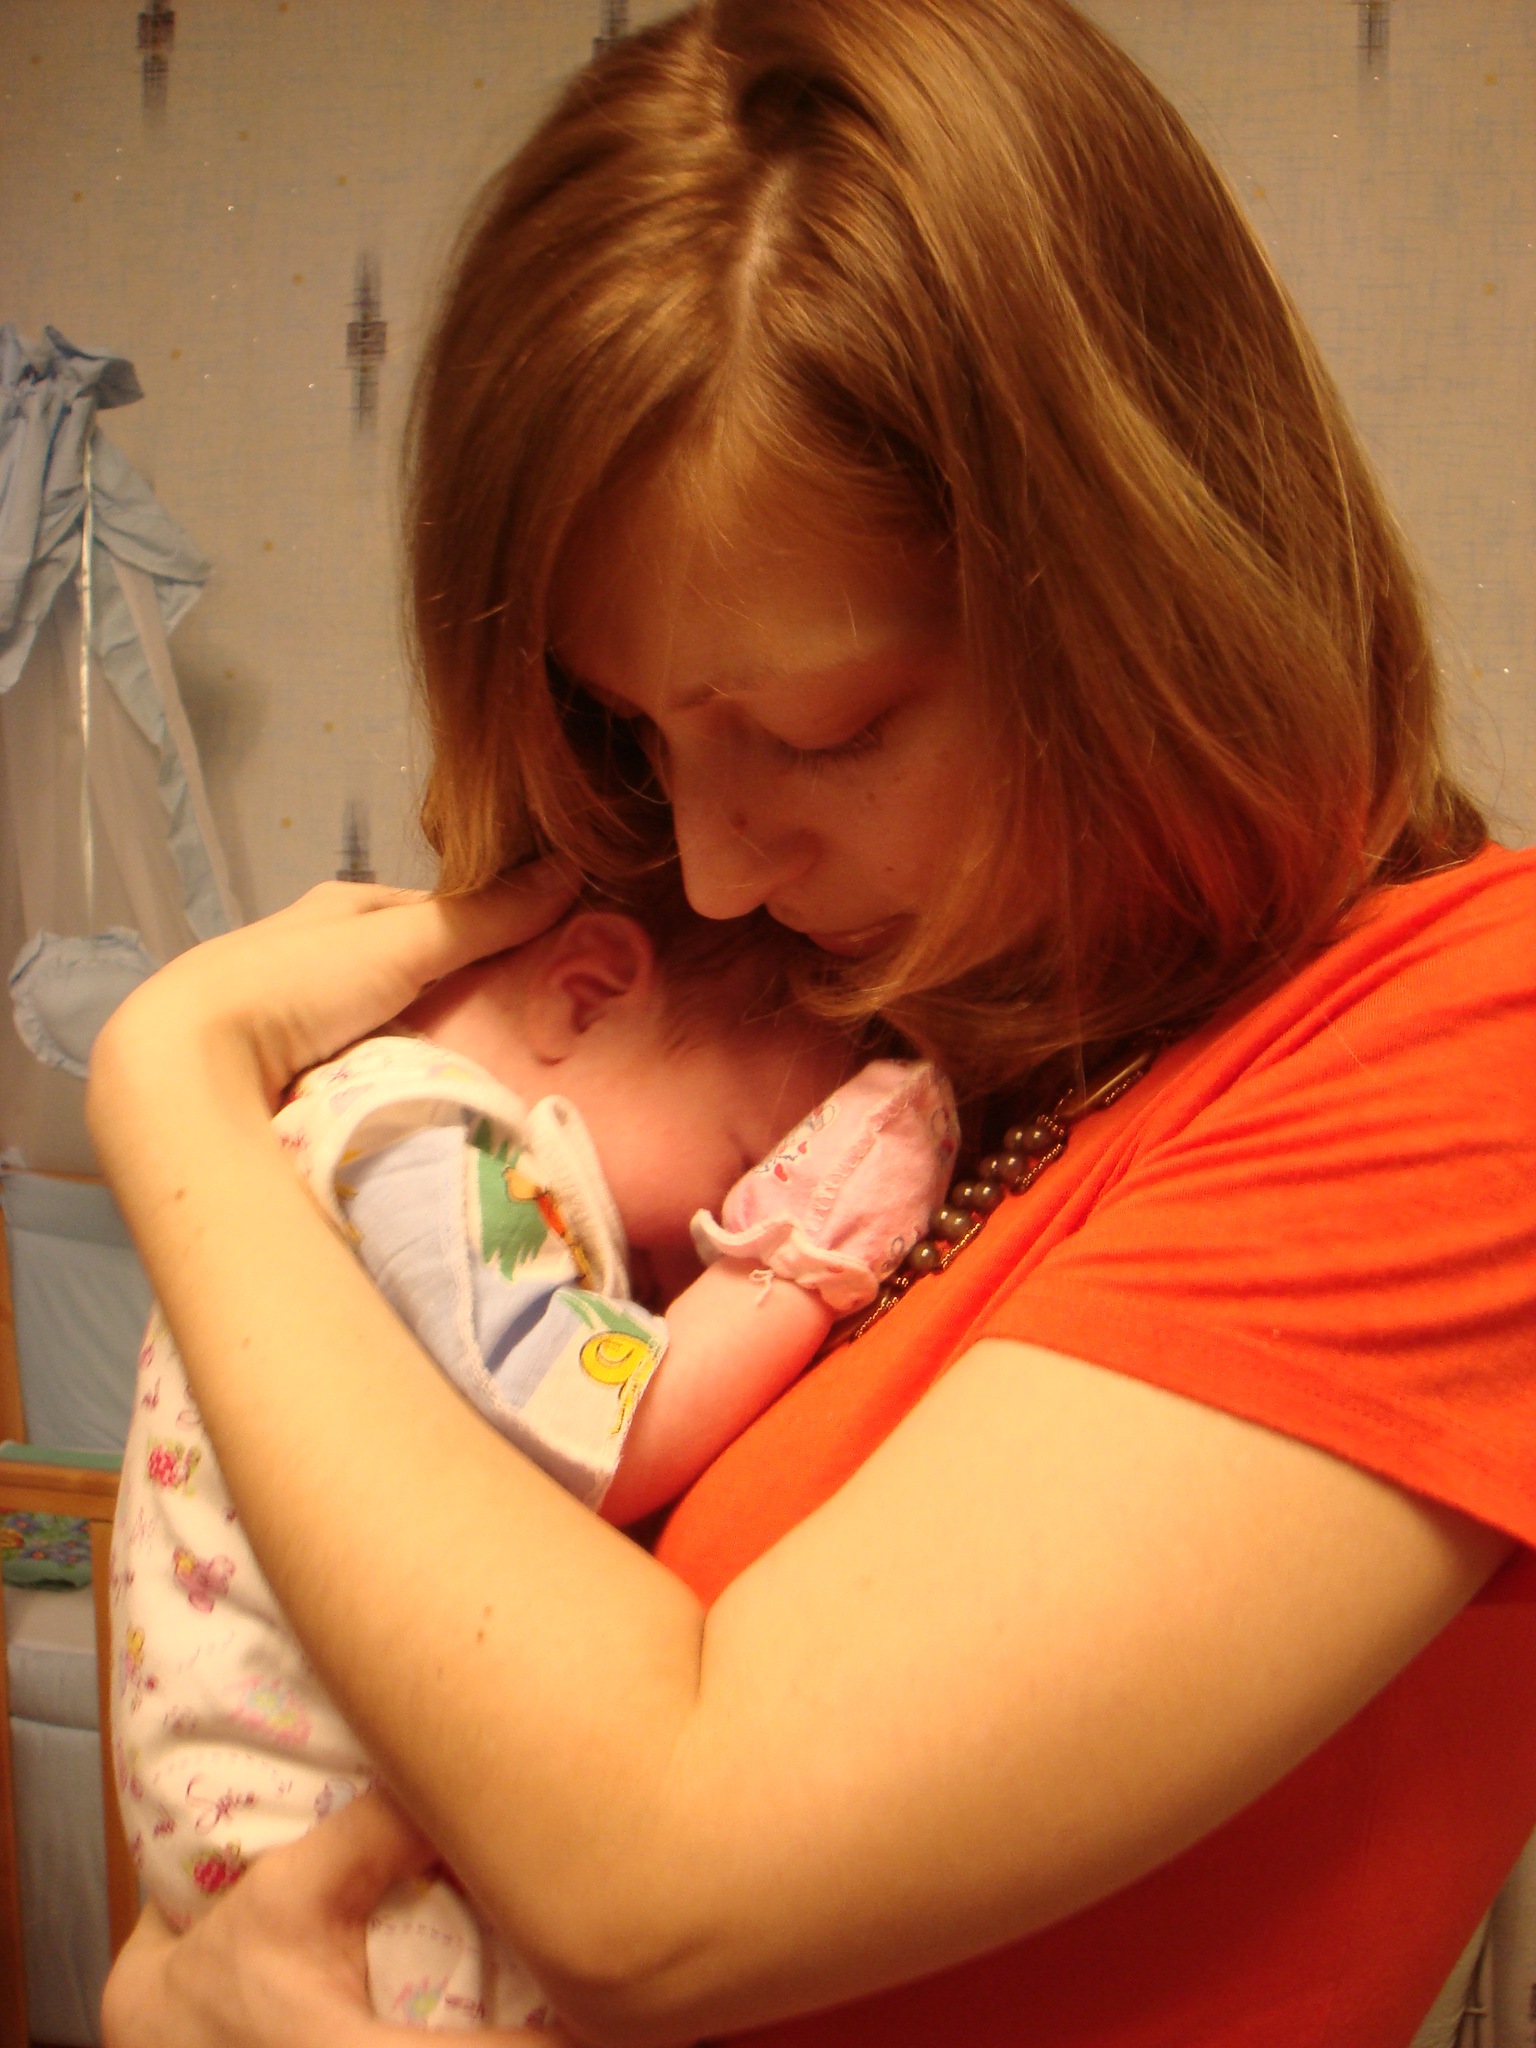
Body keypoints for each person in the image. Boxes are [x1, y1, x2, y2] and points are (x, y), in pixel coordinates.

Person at [88, 1, 1536, 2043]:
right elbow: (268, 1717)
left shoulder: (1472, 1042)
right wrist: (171, 1991)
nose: (711, 871)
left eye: (823, 730)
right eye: (633, 729)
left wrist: (174, 1089)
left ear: (1146, 584)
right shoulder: (861, 1047)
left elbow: (649, 1867)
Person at [110, 903, 956, 2027]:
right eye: (747, 1162)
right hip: (334, 1861)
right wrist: (801, 1250)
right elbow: (574, 1431)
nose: (706, 1233)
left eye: (758, 1193)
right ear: (587, 991)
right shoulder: (423, 1136)